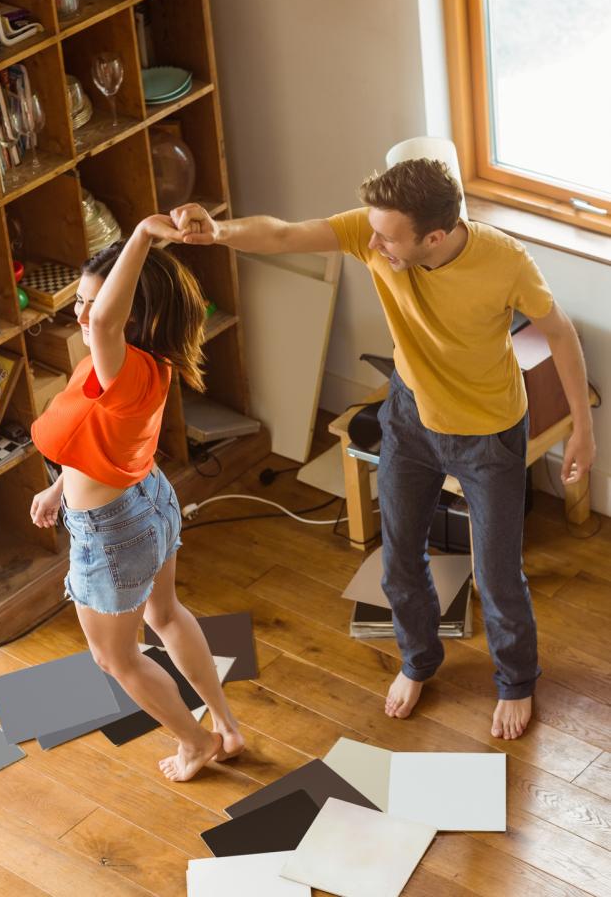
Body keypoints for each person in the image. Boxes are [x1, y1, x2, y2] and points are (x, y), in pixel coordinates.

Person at [147, 159, 595, 741]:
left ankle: (515, 679)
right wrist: (217, 230)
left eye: (388, 236)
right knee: (398, 557)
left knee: (497, 574)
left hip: (489, 434)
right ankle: (419, 660)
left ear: (433, 237)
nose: (374, 241)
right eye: (374, 230)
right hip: (410, 420)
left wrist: (583, 431)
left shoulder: (504, 262)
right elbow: (283, 234)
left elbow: (560, 333)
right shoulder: (373, 232)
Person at [30, 218, 244, 781]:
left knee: (115, 658)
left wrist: (144, 236)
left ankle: (195, 743)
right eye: (77, 300)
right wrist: (58, 486)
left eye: (95, 305)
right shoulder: (144, 363)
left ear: (132, 314)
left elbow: (104, 323)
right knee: (166, 614)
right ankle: (225, 725)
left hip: (111, 530)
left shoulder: (121, 365)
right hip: (147, 498)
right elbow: (93, 435)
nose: (82, 315)